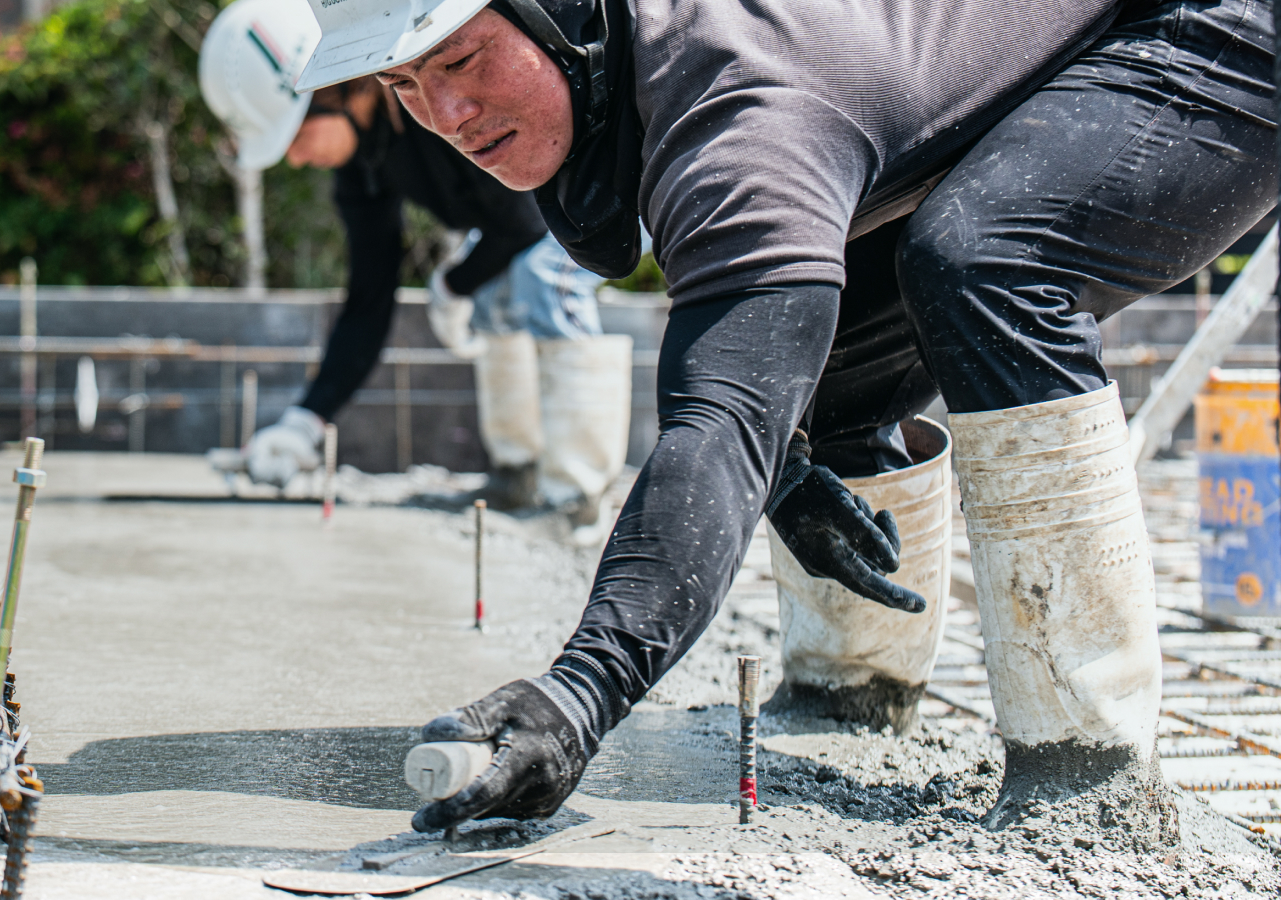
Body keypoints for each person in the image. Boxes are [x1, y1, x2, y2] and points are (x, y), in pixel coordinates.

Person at [296, 0, 1276, 847]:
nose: (447, 116)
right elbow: (755, 363)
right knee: (811, 351)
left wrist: (580, 695)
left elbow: (718, 416)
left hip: (1215, 26)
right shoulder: (642, 66)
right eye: (407, 86)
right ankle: (854, 689)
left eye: (462, 62)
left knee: (983, 256)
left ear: (560, 14)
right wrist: (792, 456)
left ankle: (1087, 765)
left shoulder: (737, 105)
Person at [199, 0, 636, 540]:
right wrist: (305, 422)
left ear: (330, 92)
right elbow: (369, 302)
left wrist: (453, 284)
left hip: (583, 192)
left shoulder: (442, 107)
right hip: (515, 222)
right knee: (497, 296)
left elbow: (523, 224)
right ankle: (516, 478)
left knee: (538, 281)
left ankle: (577, 500)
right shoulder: (365, 169)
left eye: (294, 137)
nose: (294, 159)